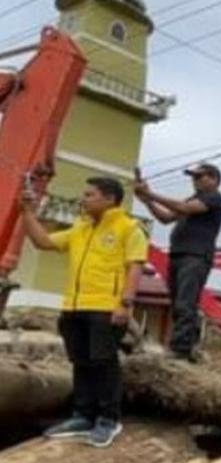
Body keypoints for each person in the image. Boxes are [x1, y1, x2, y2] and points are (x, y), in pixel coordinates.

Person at [19, 177, 147, 448]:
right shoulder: (80, 228)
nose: (83, 199)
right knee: (81, 362)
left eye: (89, 194)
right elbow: (42, 241)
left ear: (109, 199)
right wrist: (27, 212)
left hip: (106, 308)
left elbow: (135, 267)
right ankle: (83, 416)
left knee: (104, 363)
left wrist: (125, 303)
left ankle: (108, 419)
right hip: (74, 307)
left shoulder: (129, 228)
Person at [134, 162, 221, 362]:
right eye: (193, 177)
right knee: (178, 304)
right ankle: (187, 347)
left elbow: (182, 207)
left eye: (199, 177)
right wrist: (146, 201)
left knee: (186, 302)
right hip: (178, 255)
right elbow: (166, 218)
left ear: (214, 179)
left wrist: (150, 194)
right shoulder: (193, 200)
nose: (195, 181)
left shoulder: (214, 199)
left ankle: (181, 350)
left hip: (195, 256)